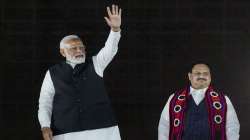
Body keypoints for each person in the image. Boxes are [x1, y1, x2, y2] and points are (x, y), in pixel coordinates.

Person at [38, 5, 122, 140]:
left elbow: (110, 49)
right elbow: (45, 102)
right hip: (66, 132)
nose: (79, 51)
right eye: (73, 48)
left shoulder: (96, 63)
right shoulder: (52, 72)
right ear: (62, 52)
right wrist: (45, 125)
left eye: (81, 47)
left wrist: (115, 29)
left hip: (103, 130)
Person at [158, 63, 240, 140]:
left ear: (210, 77)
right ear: (190, 76)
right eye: (197, 73)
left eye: (205, 73)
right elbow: (164, 125)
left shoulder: (223, 99)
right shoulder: (173, 99)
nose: (201, 76)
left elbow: (232, 126)